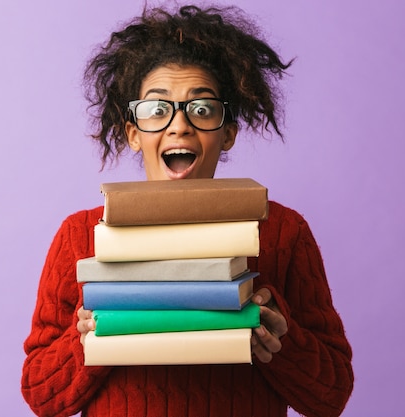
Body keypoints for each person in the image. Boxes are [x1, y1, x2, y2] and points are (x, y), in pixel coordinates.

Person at [21, 4, 354, 417]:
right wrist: (88, 334)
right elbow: (40, 394)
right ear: (133, 134)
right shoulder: (81, 234)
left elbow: (332, 394)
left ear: (228, 132)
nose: (179, 126)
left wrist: (282, 342)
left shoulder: (283, 231)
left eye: (201, 109)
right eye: (157, 110)